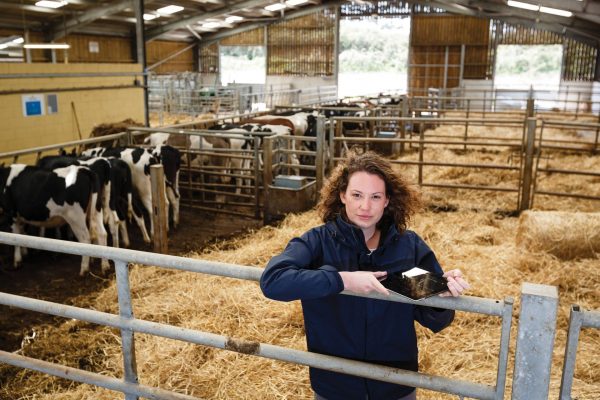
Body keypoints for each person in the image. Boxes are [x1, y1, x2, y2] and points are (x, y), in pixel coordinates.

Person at [260, 150, 470, 400]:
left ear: (387, 201)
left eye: (375, 197)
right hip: (335, 386)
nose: (365, 206)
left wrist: (442, 294)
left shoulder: (408, 247)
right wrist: (343, 280)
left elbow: (435, 320)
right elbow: (273, 280)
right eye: (357, 195)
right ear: (342, 196)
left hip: (395, 385)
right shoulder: (318, 243)